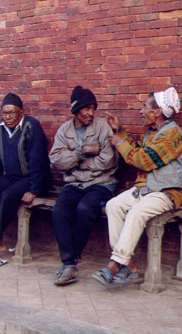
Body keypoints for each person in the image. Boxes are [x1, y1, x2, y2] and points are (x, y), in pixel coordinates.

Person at [92, 87, 182, 286]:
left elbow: (143, 160)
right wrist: (120, 132)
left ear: (158, 111)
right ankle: (130, 266)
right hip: (147, 189)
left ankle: (115, 263)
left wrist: (119, 143)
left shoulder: (171, 135)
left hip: (166, 192)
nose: (141, 111)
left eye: (144, 107)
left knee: (136, 212)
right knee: (113, 206)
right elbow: (137, 151)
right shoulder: (153, 132)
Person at [49, 86, 119, 286]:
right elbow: (55, 159)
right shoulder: (64, 130)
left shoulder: (102, 126)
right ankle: (68, 262)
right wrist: (82, 152)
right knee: (59, 210)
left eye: (92, 108)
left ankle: (72, 259)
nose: (90, 113)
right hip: (74, 183)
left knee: (85, 209)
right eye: (85, 108)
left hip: (101, 183)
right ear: (75, 109)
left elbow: (109, 161)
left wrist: (76, 162)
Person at [0, 93, 52, 260]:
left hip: (34, 178)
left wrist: (34, 189)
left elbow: (38, 161)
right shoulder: (0, 129)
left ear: (21, 113)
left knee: (8, 195)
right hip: (13, 177)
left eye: (11, 113)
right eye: (4, 113)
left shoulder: (32, 127)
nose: (7, 117)